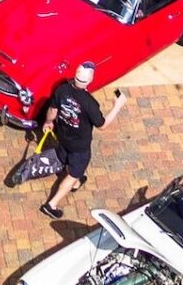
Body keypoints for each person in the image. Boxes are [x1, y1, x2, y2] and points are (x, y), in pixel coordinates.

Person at [39, 62, 128, 218]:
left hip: (63, 135)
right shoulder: (90, 103)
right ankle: (51, 204)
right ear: (89, 81)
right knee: (74, 172)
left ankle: (76, 181)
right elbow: (102, 125)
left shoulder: (62, 89)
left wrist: (48, 122)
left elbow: (53, 110)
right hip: (79, 146)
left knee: (67, 160)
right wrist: (117, 106)